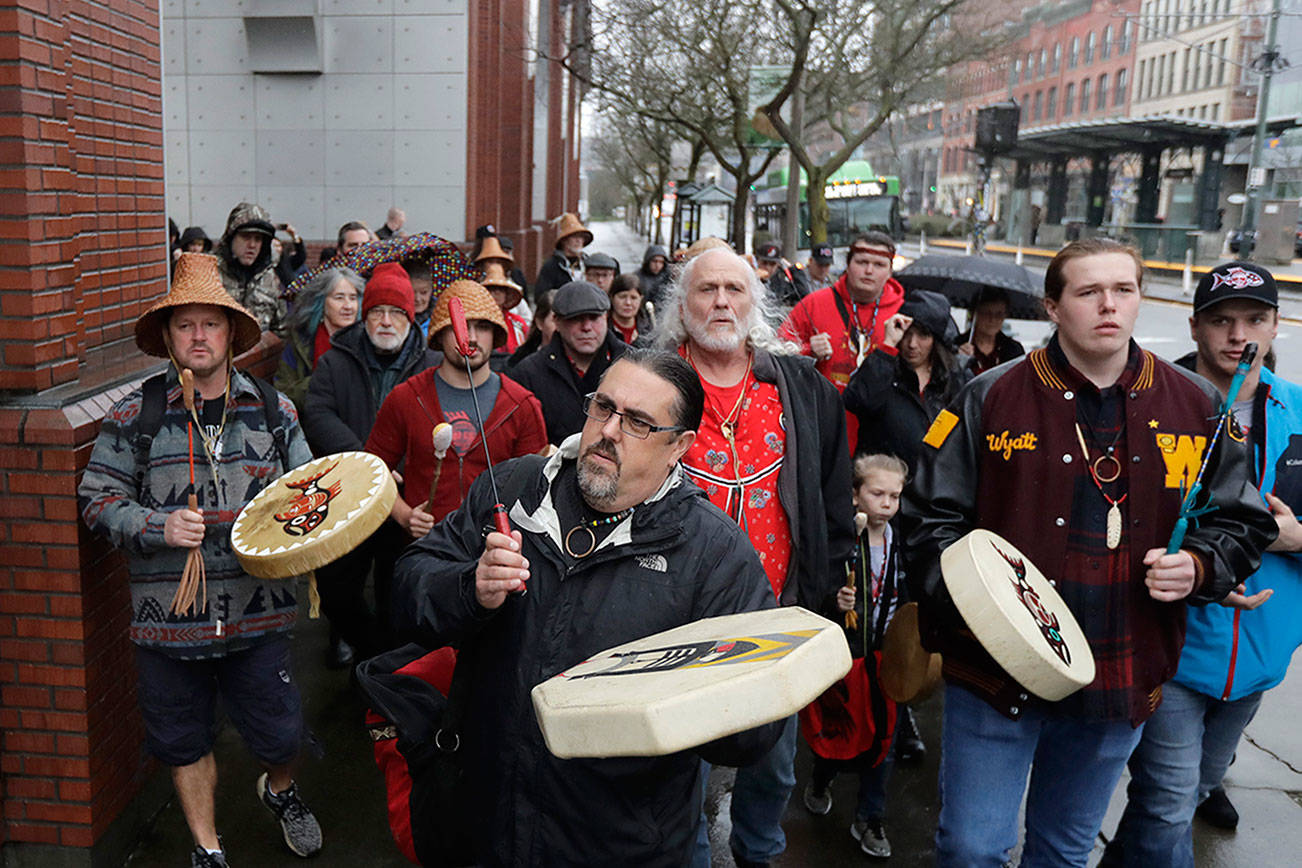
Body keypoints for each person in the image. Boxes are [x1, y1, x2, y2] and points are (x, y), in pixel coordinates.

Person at [901, 239, 1277, 868]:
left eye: (1123, 290)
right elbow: (927, 522)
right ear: (1053, 306)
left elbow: (1241, 522)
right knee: (972, 849)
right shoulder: (988, 397)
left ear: (1140, 298)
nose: (1109, 305)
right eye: (1087, 292)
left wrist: (1201, 567)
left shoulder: (1196, 405)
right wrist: (983, 611)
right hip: (995, 675)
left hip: (1120, 674)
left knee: (1064, 851)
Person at [390, 349, 784, 866]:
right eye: (603, 407)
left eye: (639, 423)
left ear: (679, 448)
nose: (610, 431)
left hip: (618, 845)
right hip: (480, 825)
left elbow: (752, 729)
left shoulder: (713, 553)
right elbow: (407, 588)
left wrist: (684, 691)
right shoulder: (513, 488)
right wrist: (471, 589)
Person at [78, 253, 320, 867]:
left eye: (210, 324)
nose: (198, 336)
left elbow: (309, 498)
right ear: (167, 336)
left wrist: (296, 529)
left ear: (231, 333)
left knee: (280, 733)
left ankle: (281, 790)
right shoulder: (136, 416)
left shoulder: (273, 410)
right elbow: (97, 500)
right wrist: (158, 525)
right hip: (167, 624)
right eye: (185, 325)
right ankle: (208, 849)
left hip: (259, 613)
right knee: (181, 742)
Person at [1104, 261, 1302, 867]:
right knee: (1166, 800)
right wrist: (1206, 566)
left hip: (1264, 653)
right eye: (1222, 321)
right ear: (1194, 328)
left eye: (1254, 319)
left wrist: (1294, 538)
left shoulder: (1298, 412)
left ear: (1276, 326)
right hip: (1175, 647)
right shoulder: (1151, 403)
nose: (1239, 335)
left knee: (1190, 791)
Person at [661, 246, 854, 867]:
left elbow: (830, 494)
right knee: (675, 772)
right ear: (681, 305)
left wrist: (828, 587)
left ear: (756, 302)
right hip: (672, 621)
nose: (722, 302)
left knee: (772, 770)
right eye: (707, 290)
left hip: (776, 618)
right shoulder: (652, 383)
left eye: (735, 290)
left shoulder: (800, 387)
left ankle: (760, 856)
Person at [302, 262, 440, 660]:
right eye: (377, 311)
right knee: (336, 590)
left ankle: (388, 673)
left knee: (396, 590)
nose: (385, 321)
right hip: (349, 493)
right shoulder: (336, 359)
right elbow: (319, 415)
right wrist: (373, 462)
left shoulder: (431, 364)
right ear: (365, 315)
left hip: (408, 496)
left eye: (397, 312)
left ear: (410, 317)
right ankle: (370, 650)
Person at [366, 278, 547, 537]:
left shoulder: (521, 404)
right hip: (425, 550)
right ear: (440, 334)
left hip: (496, 548)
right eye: (460, 327)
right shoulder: (407, 397)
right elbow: (374, 468)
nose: (471, 337)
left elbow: (536, 487)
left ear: (495, 334)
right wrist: (404, 515)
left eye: (482, 327)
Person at [801, 454, 909, 860]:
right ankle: (821, 778)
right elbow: (818, 593)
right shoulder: (843, 540)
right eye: (877, 493)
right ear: (855, 495)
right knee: (843, 728)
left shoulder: (902, 539)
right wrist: (836, 599)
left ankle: (870, 816)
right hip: (848, 657)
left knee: (885, 738)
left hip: (886, 657)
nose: (886, 503)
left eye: (894, 496)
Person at [780, 232, 906, 449]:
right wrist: (808, 350)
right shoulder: (814, 304)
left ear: (890, 271)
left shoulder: (904, 311)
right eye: (862, 262)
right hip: (821, 433)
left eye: (879, 264)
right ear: (847, 264)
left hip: (882, 440)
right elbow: (775, 356)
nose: (869, 271)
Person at [844, 290, 969, 470]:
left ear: (936, 341)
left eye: (923, 336)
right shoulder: (884, 368)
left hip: (932, 486)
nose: (912, 344)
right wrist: (887, 346)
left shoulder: (954, 378)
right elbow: (858, 400)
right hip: (882, 484)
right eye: (907, 333)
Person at [509, 281, 627, 445]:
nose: (586, 327)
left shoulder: (634, 368)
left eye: (594, 318)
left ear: (606, 317)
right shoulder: (528, 374)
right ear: (557, 321)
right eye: (576, 319)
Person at [274, 266, 365, 412]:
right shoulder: (302, 341)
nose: (348, 306)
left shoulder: (366, 341)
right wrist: (323, 380)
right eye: (339, 298)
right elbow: (283, 393)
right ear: (321, 302)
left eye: (353, 298)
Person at [215, 202, 285, 335]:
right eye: (246, 237)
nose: (252, 245)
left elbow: (281, 330)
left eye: (258, 239)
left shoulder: (270, 278)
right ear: (231, 238)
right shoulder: (209, 274)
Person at [956, 289, 1025, 376]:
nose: (992, 319)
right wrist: (959, 361)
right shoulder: (958, 345)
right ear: (974, 315)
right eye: (986, 313)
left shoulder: (1014, 350)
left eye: (999, 314)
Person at [534, 212, 592, 294]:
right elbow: (541, 295)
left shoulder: (588, 263)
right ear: (564, 241)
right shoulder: (552, 266)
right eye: (574, 236)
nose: (579, 240)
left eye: (581, 237)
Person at [505, 288, 557, 370]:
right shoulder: (519, 364)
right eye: (556, 320)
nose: (561, 327)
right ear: (540, 322)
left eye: (569, 320)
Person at [755, 240, 811, 308]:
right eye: (764, 263)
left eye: (772, 264)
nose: (768, 267)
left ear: (778, 265)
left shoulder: (781, 285)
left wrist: (792, 269)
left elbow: (804, 295)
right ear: (757, 261)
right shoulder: (750, 280)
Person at [608, 273, 650, 346]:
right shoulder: (602, 329)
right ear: (612, 297)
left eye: (633, 298)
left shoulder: (648, 332)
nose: (628, 303)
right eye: (622, 297)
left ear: (641, 299)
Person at [272, 224, 307, 291]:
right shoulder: (263, 265)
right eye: (273, 246)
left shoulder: (284, 263)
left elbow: (301, 256)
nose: (276, 249)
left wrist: (294, 235)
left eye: (278, 246)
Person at [639, 243, 671, 307]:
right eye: (654, 261)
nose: (657, 265)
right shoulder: (638, 277)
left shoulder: (667, 277)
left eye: (661, 262)